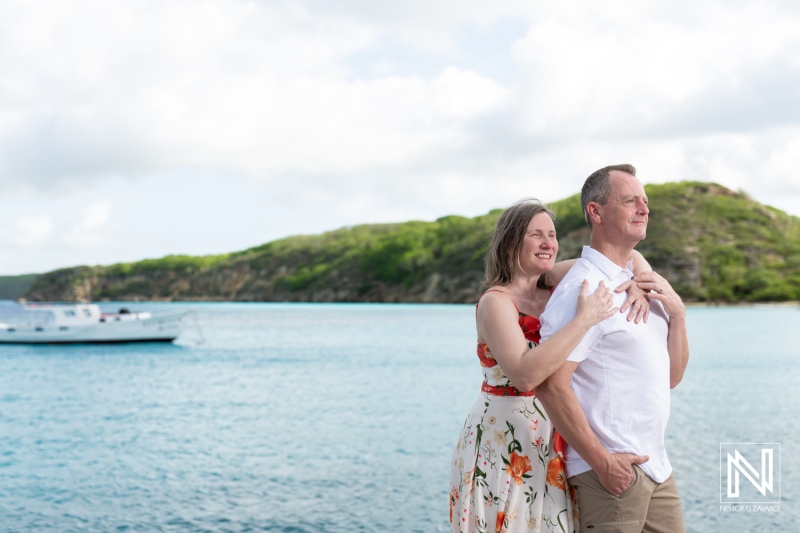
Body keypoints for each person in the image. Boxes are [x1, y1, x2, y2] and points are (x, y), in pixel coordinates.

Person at [450, 198, 653, 533]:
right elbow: (525, 374)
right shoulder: (495, 302)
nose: (548, 244)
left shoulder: (552, 282)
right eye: (536, 235)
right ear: (511, 243)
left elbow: (629, 256)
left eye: (552, 235)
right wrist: (584, 319)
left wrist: (640, 283)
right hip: (506, 441)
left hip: (556, 435)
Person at [536, 165, 690, 533]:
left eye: (645, 201)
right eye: (630, 201)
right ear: (596, 211)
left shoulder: (640, 283)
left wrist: (679, 315)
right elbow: (550, 385)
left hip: (656, 466)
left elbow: (672, 377)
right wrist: (602, 462)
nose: (644, 208)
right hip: (612, 474)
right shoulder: (583, 289)